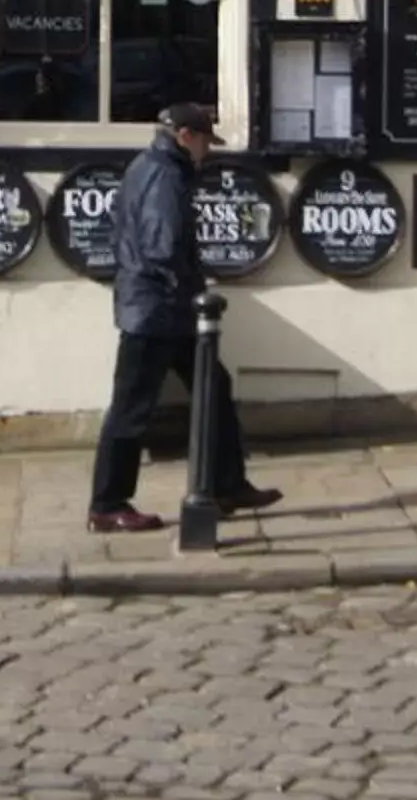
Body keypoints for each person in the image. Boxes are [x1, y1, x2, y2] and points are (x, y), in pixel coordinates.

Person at [86, 101, 281, 535]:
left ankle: (227, 484)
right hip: (156, 310)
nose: (206, 152)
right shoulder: (165, 175)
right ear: (184, 136)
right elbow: (161, 245)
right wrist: (189, 288)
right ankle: (107, 505)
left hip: (164, 308)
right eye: (205, 142)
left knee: (215, 388)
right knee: (132, 409)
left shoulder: (150, 165)